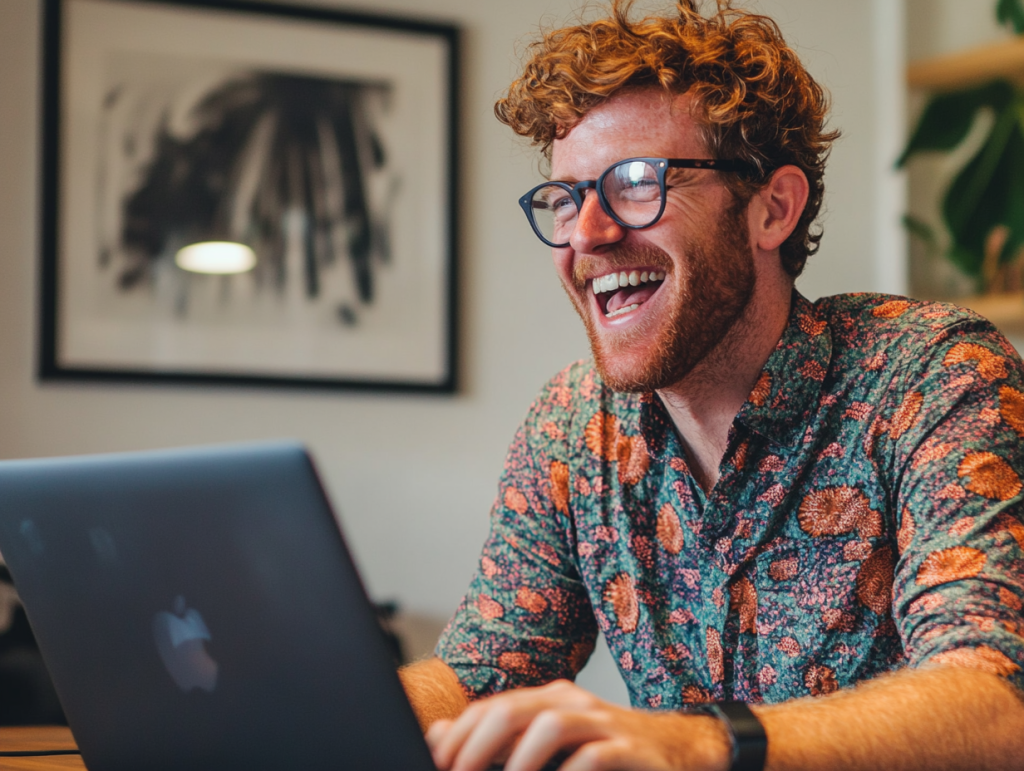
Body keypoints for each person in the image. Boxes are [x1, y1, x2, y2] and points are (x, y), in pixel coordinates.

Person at [399, 2, 1024, 769]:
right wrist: (328, 709)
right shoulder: (572, 426)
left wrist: (698, 744)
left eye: (635, 183)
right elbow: (478, 675)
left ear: (772, 208)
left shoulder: (931, 375)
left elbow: (996, 703)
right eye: (565, 197)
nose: (586, 235)